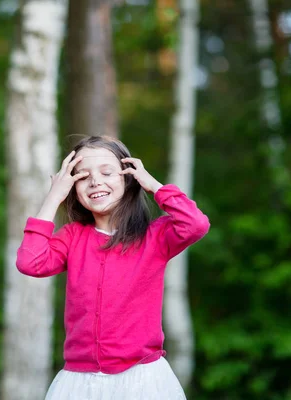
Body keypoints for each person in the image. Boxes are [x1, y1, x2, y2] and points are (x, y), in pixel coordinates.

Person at [16, 136, 210, 400]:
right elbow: (30, 262)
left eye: (107, 172)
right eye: (83, 177)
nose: (95, 181)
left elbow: (195, 224)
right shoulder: (72, 236)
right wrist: (53, 198)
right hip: (79, 382)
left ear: (128, 178)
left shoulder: (155, 237)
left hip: (143, 379)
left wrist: (153, 186)